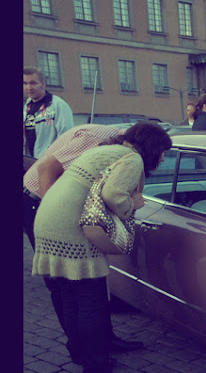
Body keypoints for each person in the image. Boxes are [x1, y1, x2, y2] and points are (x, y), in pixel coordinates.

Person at [32, 122, 173, 373]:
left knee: (71, 299)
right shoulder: (131, 159)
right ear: (152, 148)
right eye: (162, 152)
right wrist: (132, 205)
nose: (164, 158)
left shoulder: (108, 150)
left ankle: (82, 354)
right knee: (91, 304)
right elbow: (112, 195)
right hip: (73, 229)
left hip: (49, 220)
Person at [23, 124, 145, 356]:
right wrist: (54, 213)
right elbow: (46, 169)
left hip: (59, 204)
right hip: (38, 200)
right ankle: (80, 348)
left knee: (91, 287)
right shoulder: (97, 138)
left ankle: (102, 341)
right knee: (65, 283)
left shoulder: (116, 144)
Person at [24, 66, 74, 159]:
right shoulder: (26, 107)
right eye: (25, 83)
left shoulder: (58, 105)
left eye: (33, 83)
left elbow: (66, 138)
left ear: (43, 84)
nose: (29, 87)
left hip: (49, 162)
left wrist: (51, 161)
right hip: (29, 161)